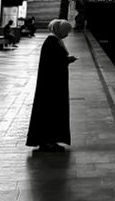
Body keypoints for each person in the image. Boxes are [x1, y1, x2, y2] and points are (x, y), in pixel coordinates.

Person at [25, 19, 77, 152]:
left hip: (53, 84)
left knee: (53, 111)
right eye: (66, 32)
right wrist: (67, 60)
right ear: (60, 30)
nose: (67, 34)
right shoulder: (51, 43)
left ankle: (50, 140)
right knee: (50, 111)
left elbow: (54, 61)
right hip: (51, 87)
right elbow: (53, 63)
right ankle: (47, 141)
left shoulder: (54, 41)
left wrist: (66, 60)